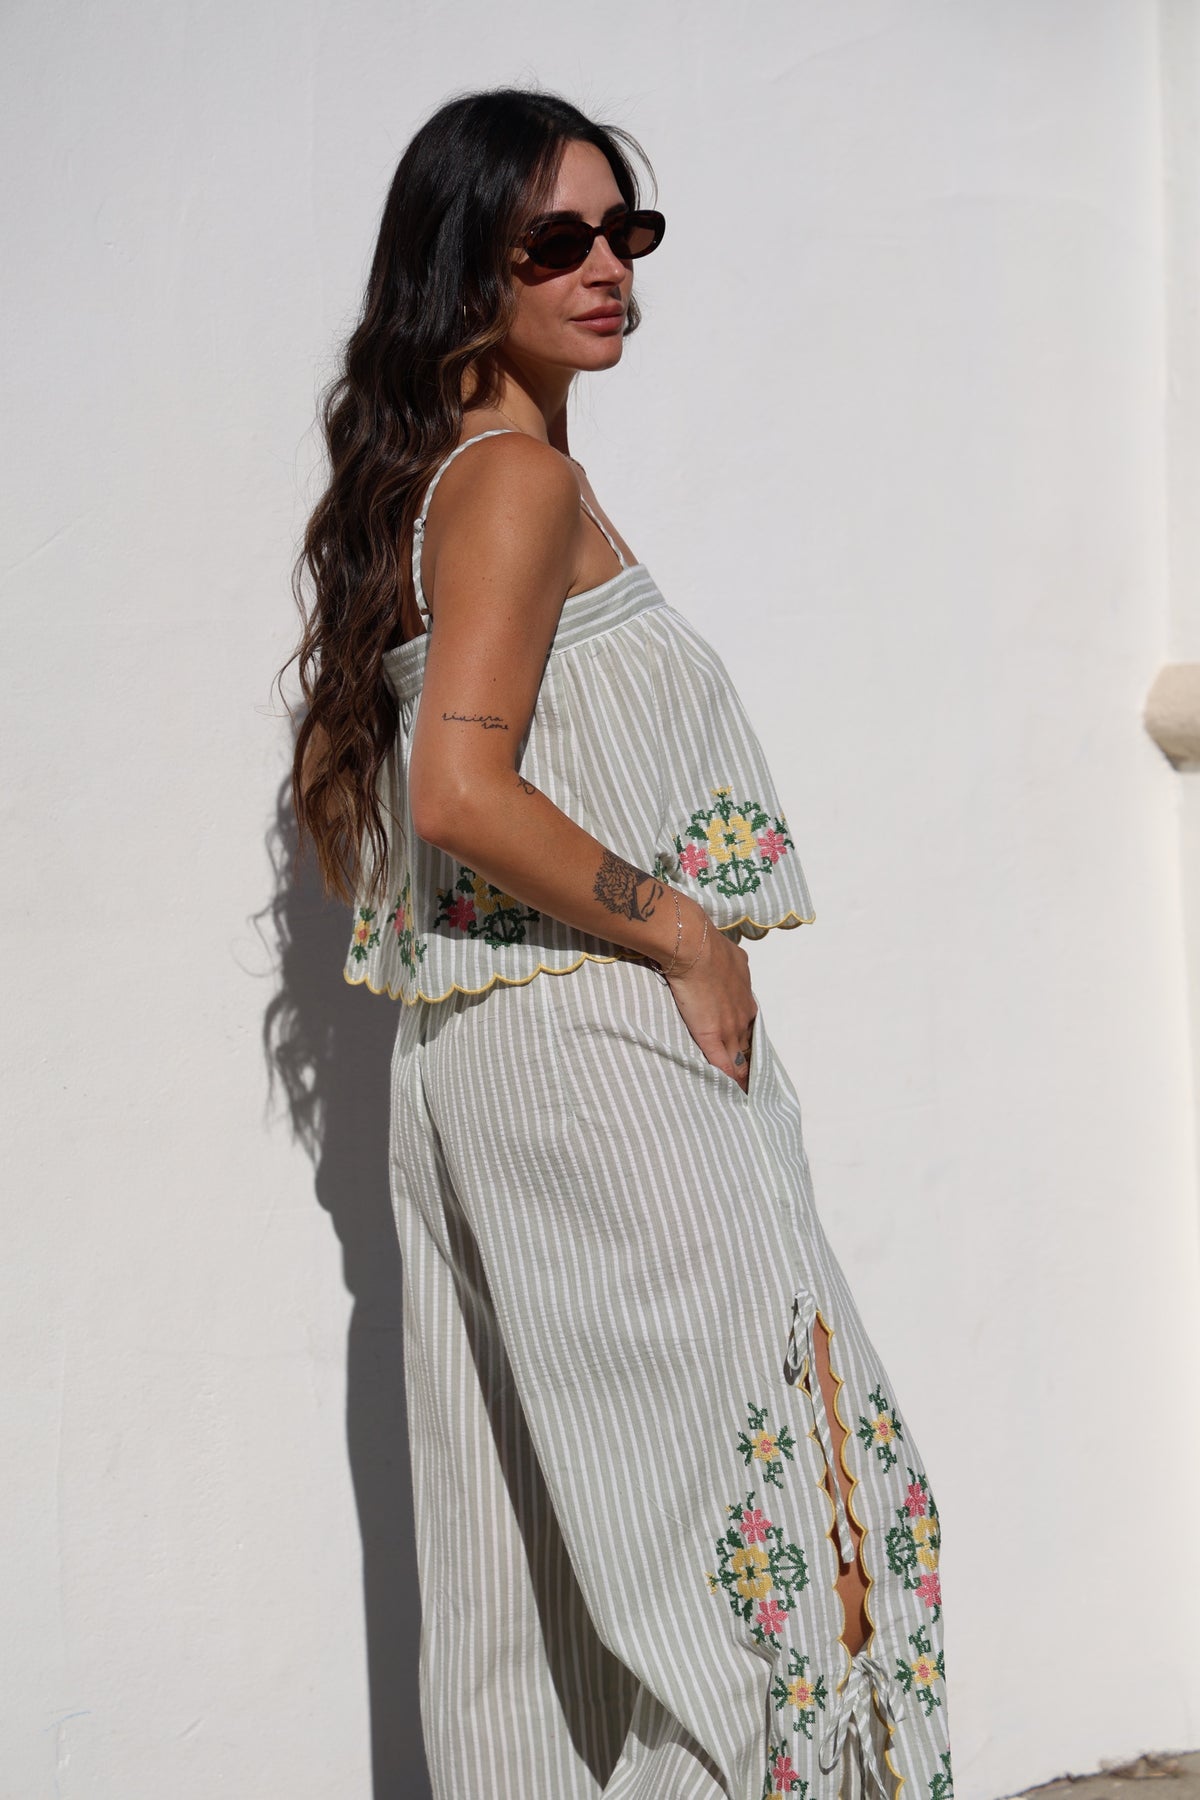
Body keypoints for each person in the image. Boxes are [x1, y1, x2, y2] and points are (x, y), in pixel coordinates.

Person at [286, 85, 953, 1800]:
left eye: (627, 231)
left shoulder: (433, 496)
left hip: (483, 1066)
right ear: (467, 271)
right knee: (784, 1531)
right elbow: (456, 791)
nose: (608, 268)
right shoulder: (510, 485)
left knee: (540, 1600)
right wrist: (686, 937)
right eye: (557, 240)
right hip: (600, 1053)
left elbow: (354, 805)